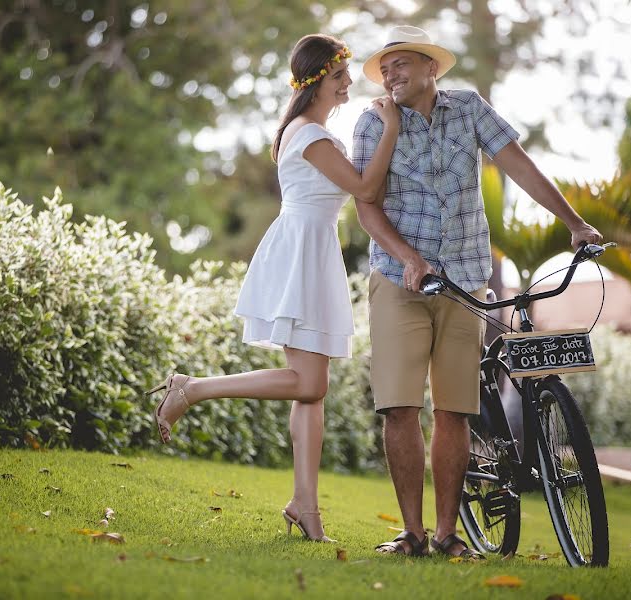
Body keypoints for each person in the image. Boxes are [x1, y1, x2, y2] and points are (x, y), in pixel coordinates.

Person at [352, 26, 603, 558]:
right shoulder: (372, 123)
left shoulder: (468, 108)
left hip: (465, 282)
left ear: (431, 68)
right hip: (401, 281)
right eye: (385, 67)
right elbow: (366, 207)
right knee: (399, 407)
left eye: (402, 64)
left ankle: (446, 535)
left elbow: (519, 164)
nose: (391, 74)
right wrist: (410, 258)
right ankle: (412, 535)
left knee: (455, 410)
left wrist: (574, 223)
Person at [147, 34, 400, 543]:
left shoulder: (310, 132)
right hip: (301, 252)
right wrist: (391, 126)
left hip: (311, 248)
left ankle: (306, 506)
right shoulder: (310, 135)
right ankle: (192, 389)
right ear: (317, 81)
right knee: (309, 383)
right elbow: (368, 188)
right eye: (339, 76)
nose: (348, 83)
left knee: (311, 392)